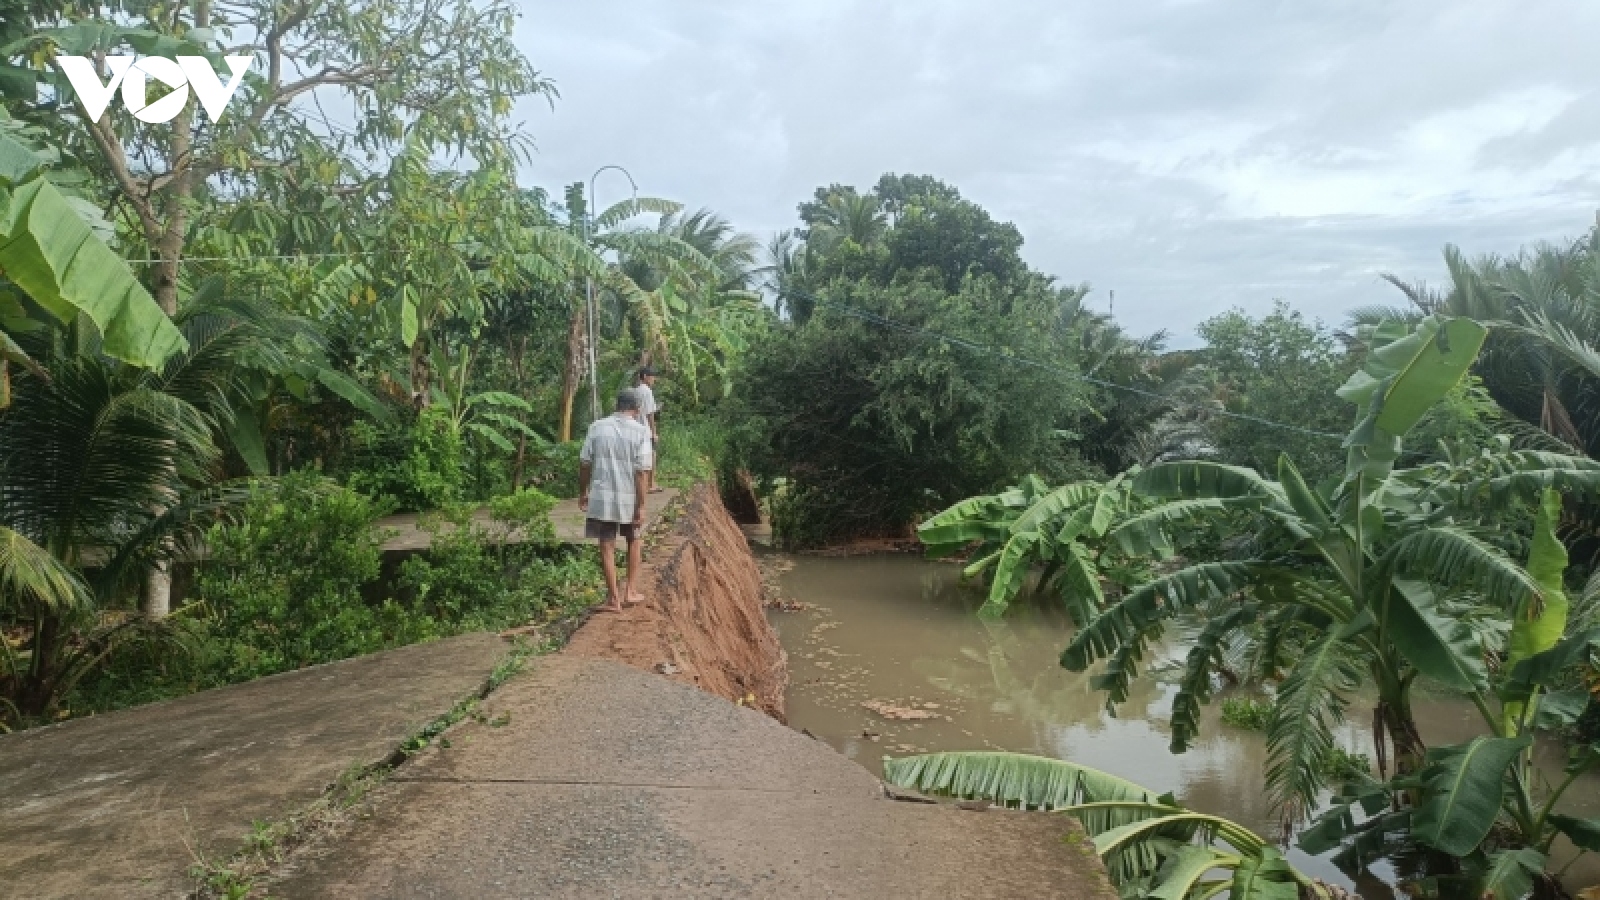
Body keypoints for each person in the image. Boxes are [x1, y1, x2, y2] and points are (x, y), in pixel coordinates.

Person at [578, 388, 654, 612]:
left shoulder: (597, 427)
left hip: (602, 498)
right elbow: (642, 472)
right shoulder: (641, 432)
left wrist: (583, 492)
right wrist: (641, 505)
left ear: (616, 405)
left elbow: (584, 463)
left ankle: (613, 599)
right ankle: (630, 591)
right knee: (634, 539)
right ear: (637, 409)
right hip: (629, 497)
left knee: (606, 544)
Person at [634, 366, 664, 493]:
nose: (654, 380)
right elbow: (650, 414)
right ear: (645, 377)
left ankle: (643, 483)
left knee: (638, 457)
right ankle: (651, 484)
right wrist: (654, 432)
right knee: (652, 454)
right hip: (645, 428)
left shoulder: (636, 391)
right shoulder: (647, 391)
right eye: (652, 377)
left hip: (635, 428)